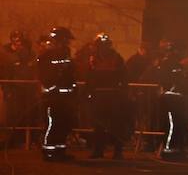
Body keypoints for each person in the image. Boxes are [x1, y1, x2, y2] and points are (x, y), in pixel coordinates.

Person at [36, 27, 78, 159]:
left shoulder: (66, 53)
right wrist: (53, 86)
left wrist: (73, 88)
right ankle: (48, 151)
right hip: (52, 97)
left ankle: (60, 151)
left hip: (65, 97)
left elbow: (70, 74)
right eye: (66, 40)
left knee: (64, 124)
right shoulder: (46, 55)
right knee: (52, 124)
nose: (68, 43)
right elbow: (44, 75)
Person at [85, 33, 128, 158]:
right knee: (99, 125)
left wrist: (123, 92)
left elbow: (124, 77)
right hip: (101, 96)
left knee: (115, 125)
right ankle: (99, 150)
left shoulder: (116, 58)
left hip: (112, 96)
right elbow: (89, 77)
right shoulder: (94, 59)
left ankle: (117, 151)